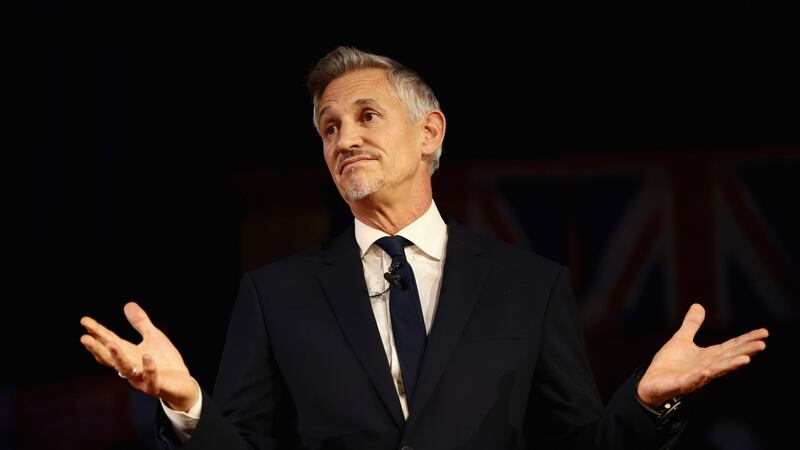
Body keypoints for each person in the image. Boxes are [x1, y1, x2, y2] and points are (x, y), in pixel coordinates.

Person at [79, 46, 769, 450]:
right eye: (327, 128)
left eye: (366, 116)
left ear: (430, 132)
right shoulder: (274, 294)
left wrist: (646, 403)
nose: (343, 139)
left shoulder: (529, 288)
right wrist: (187, 404)